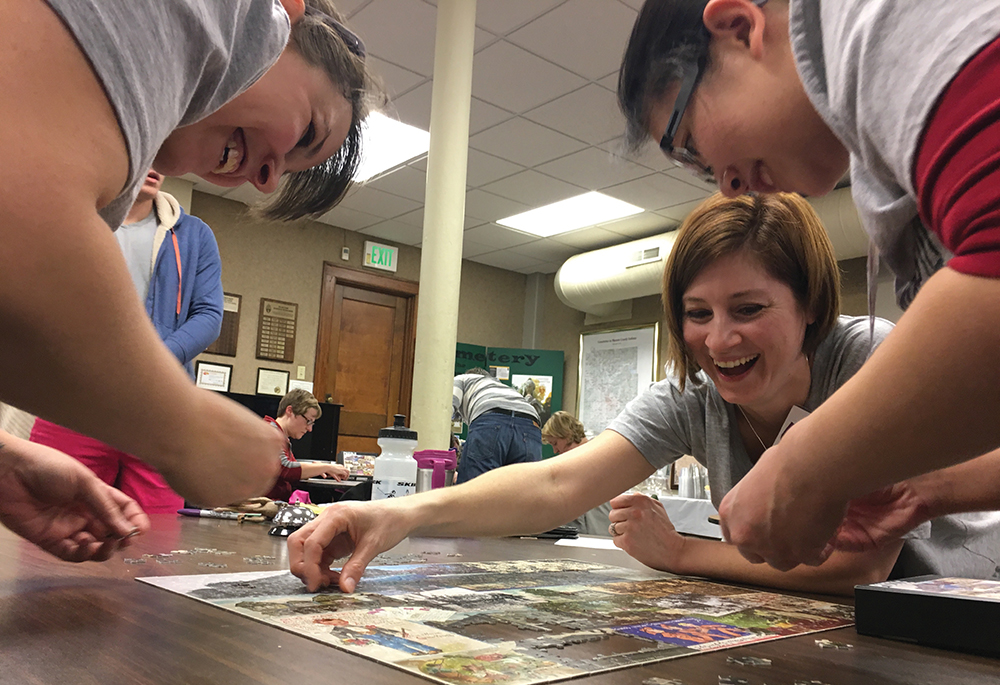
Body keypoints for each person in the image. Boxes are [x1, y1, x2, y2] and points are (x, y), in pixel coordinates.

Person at [287, 193, 1000, 595]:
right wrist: (395, 513)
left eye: (749, 310)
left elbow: (861, 566)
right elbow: (556, 482)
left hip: (951, 618)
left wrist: (685, 554)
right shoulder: (693, 395)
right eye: (698, 313)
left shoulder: (870, 356)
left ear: (810, 305)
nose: (720, 340)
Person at [615, 0, 1000, 571]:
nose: (727, 185)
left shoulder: (872, 19)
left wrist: (805, 464)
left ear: (739, 27)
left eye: (689, 143)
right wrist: (923, 490)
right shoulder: (878, 162)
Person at [0, 0, 381, 561]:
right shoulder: (240, 11)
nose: (267, 179)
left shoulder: (174, 219)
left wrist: (7, 465)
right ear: (290, 22)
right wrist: (191, 429)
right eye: (307, 134)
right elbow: (18, 223)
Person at [29, 171, 223, 514]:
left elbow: (208, 315)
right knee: (55, 528)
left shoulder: (194, 235)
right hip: (73, 406)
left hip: (158, 410)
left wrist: (150, 364)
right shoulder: (71, 217)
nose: (156, 164)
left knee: (156, 548)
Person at [452, 369, 543, 483]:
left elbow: (446, 409)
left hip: (491, 419)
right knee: (523, 493)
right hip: (531, 423)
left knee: (474, 488)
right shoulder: (503, 387)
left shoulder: (462, 379)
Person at [265, 389, 349, 502]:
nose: (309, 429)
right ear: (290, 411)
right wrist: (326, 467)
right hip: (259, 508)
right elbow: (286, 469)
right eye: (308, 421)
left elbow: (294, 469)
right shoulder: (270, 433)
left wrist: (317, 469)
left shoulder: (280, 436)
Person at [542, 411, 610, 536]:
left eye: (555, 443)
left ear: (566, 434)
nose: (555, 450)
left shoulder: (579, 461)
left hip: (592, 536)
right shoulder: (600, 451)